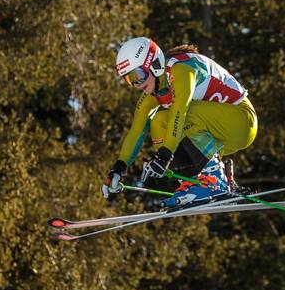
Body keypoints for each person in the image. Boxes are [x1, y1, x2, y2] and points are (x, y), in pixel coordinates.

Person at [103, 37, 258, 209]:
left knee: (174, 116)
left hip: (242, 121)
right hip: (219, 133)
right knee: (158, 122)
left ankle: (214, 179)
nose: (136, 84)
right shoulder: (152, 93)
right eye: (129, 79)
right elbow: (136, 131)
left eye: (138, 75)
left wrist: (164, 156)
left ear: (154, 64)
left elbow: (180, 112)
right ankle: (195, 181)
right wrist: (118, 168)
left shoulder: (181, 70)